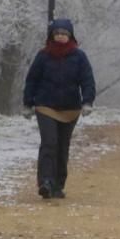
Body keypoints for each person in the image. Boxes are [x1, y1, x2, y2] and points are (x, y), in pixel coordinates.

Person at [22, 18, 96, 199]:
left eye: (64, 33)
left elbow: (87, 80)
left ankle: (58, 184)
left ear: (70, 36)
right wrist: (27, 103)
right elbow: (32, 79)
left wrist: (87, 102)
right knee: (49, 143)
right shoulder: (43, 56)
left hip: (70, 109)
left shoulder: (79, 57)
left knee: (63, 146)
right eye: (57, 33)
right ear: (51, 36)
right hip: (45, 106)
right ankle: (45, 182)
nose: (61, 36)